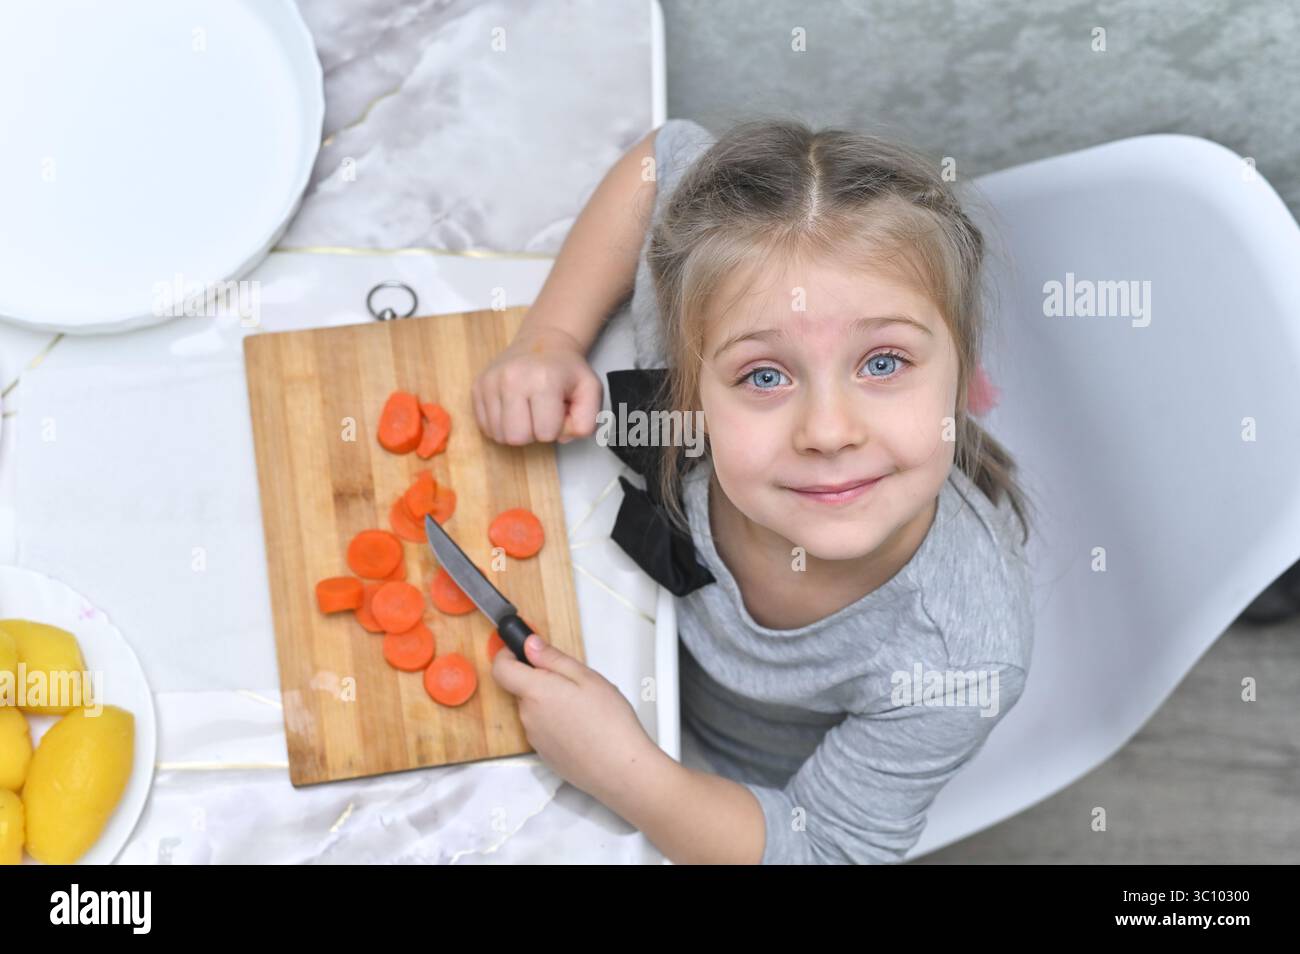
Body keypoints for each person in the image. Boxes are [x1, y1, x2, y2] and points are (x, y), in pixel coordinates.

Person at [474, 117, 1036, 864]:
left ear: (964, 371)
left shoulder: (957, 660)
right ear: (690, 377)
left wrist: (625, 771)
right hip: (626, 639)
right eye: (765, 376)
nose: (829, 431)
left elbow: (825, 849)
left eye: (884, 362)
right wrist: (549, 336)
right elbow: (662, 161)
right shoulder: (704, 316)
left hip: (715, 783)